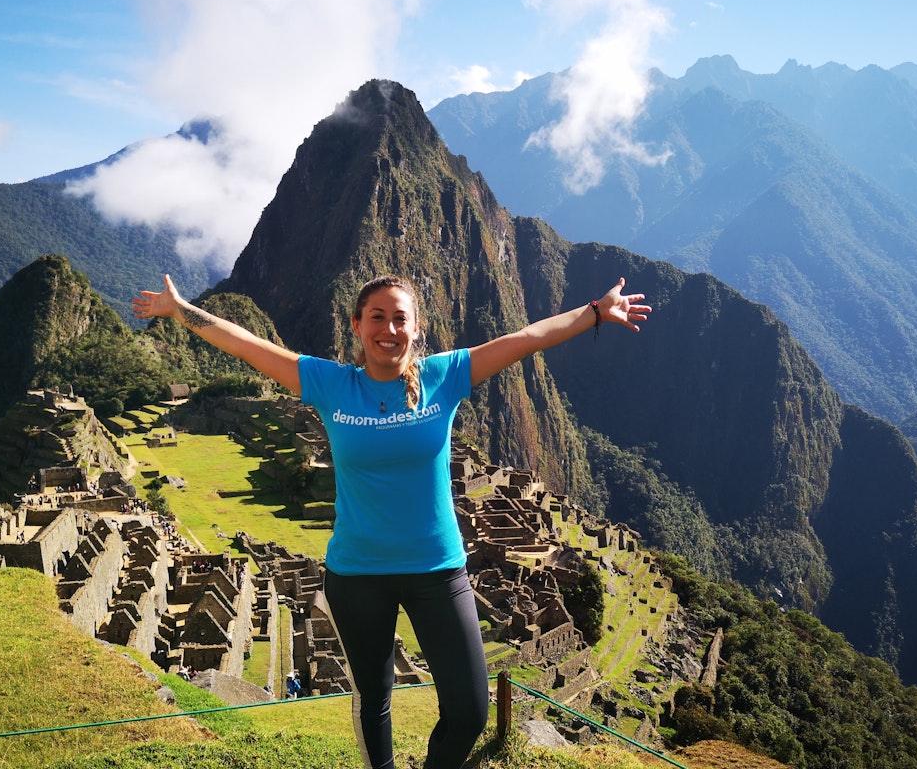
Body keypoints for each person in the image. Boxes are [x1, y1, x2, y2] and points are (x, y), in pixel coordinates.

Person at [133, 273, 650, 769]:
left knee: (470, 712)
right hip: (358, 575)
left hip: (438, 571)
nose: (389, 329)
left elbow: (526, 338)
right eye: (377, 318)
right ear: (357, 325)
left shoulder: (444, 377)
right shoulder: (331, 384)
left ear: (416, 328)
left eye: (400, 318)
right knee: (374, 697)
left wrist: (595, 313)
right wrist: (180, 311)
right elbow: (247, 344)